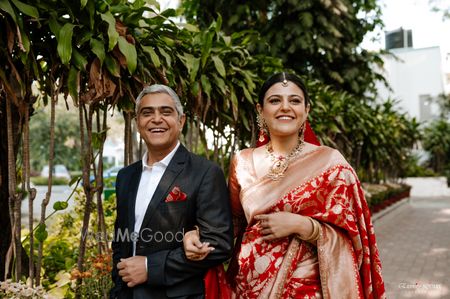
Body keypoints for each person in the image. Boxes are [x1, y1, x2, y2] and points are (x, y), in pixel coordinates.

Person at [184, 72, 386, 298]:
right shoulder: (242, 161)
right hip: (248, 287)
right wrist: (196, 234)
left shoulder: (332, 164)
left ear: (306, 110)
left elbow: (356, 237)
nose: (285, 107)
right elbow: (230, 222)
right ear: (260, 110)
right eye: (275, 100)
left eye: (295, 100)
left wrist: (304, 226)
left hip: (309, 289)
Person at [110, 84, 233, 299]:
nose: (156, 119)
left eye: (166, 112)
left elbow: (218, 244)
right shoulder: (126, 176)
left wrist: (150, 267)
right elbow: (121, 241)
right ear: (138, 123)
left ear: (181, 121)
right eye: (147, 113)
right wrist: (117, 288)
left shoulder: (205, 172)